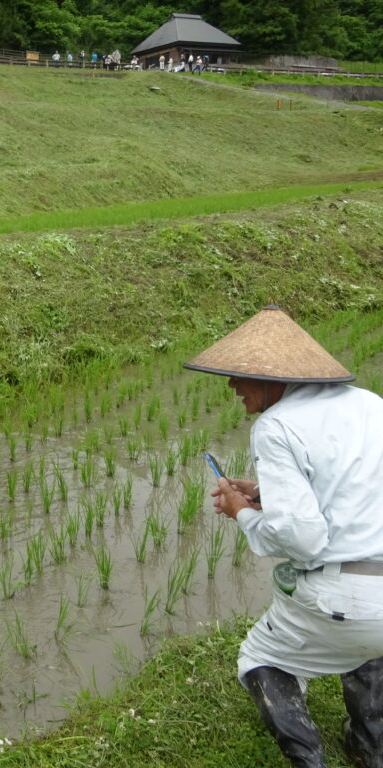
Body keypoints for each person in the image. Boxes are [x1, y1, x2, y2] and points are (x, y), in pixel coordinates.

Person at [185, 304, 383, 768]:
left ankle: (307, 761)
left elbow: (302, 538)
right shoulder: (372, 404)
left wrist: (242, 513)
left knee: (261, 659)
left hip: (344, 597)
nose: (232, 385)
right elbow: (354, 492)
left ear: (275, 378)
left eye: (238, 375)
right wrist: (269, 494)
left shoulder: (276, 425)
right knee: (368, 640)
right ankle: (370, 748)